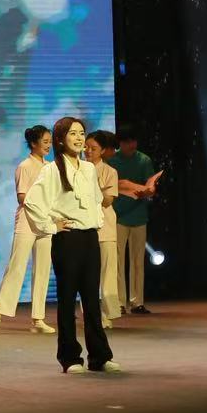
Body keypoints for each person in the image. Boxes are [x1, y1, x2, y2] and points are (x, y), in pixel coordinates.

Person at [24, 117, 121, 374]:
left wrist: (96, 223)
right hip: (67, 239)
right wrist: (51, 225)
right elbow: (32, 202)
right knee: (67, 300)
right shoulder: (52, 170)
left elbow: (97, 201)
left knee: (91, 300)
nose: (79, 138)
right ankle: (70, 358)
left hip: (90, 238)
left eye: (81, 133)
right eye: (73, 134)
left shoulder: (89, 168)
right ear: (60, 139)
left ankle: (100, 356)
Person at [0, 126, 58, 337]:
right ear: (33, 143)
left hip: (46, 222)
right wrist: (42, 207)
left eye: (50, 141)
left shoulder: (51, 167)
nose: (49, 145)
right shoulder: (25, 166)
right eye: (45, 141)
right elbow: (22, 197)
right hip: (27, 221)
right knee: (16, 267)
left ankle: (38, 318)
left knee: (43, 270)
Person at [108, 130, 158, 315]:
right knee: (117, 261)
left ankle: (137, 302)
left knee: (138, 261)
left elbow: (151, 185)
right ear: (120, 143)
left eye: (133, 141)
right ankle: (119, 302)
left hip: (139, 216)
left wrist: (149, 191)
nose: (131, 146)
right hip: (118, 216)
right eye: (127, 142)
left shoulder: (144, 160)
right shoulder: (112, 161)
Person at [85, 131, 124, 330]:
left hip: (105, 227)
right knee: (87, 276)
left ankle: (108, 314)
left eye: (93, 148)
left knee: (108, 273)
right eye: (86, 147)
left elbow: (108, 200)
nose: (88, 151)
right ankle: (91, 315)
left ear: (102, 151)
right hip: (84, 227)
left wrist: (90, 191)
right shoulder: (77, 169)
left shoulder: (109, 171)